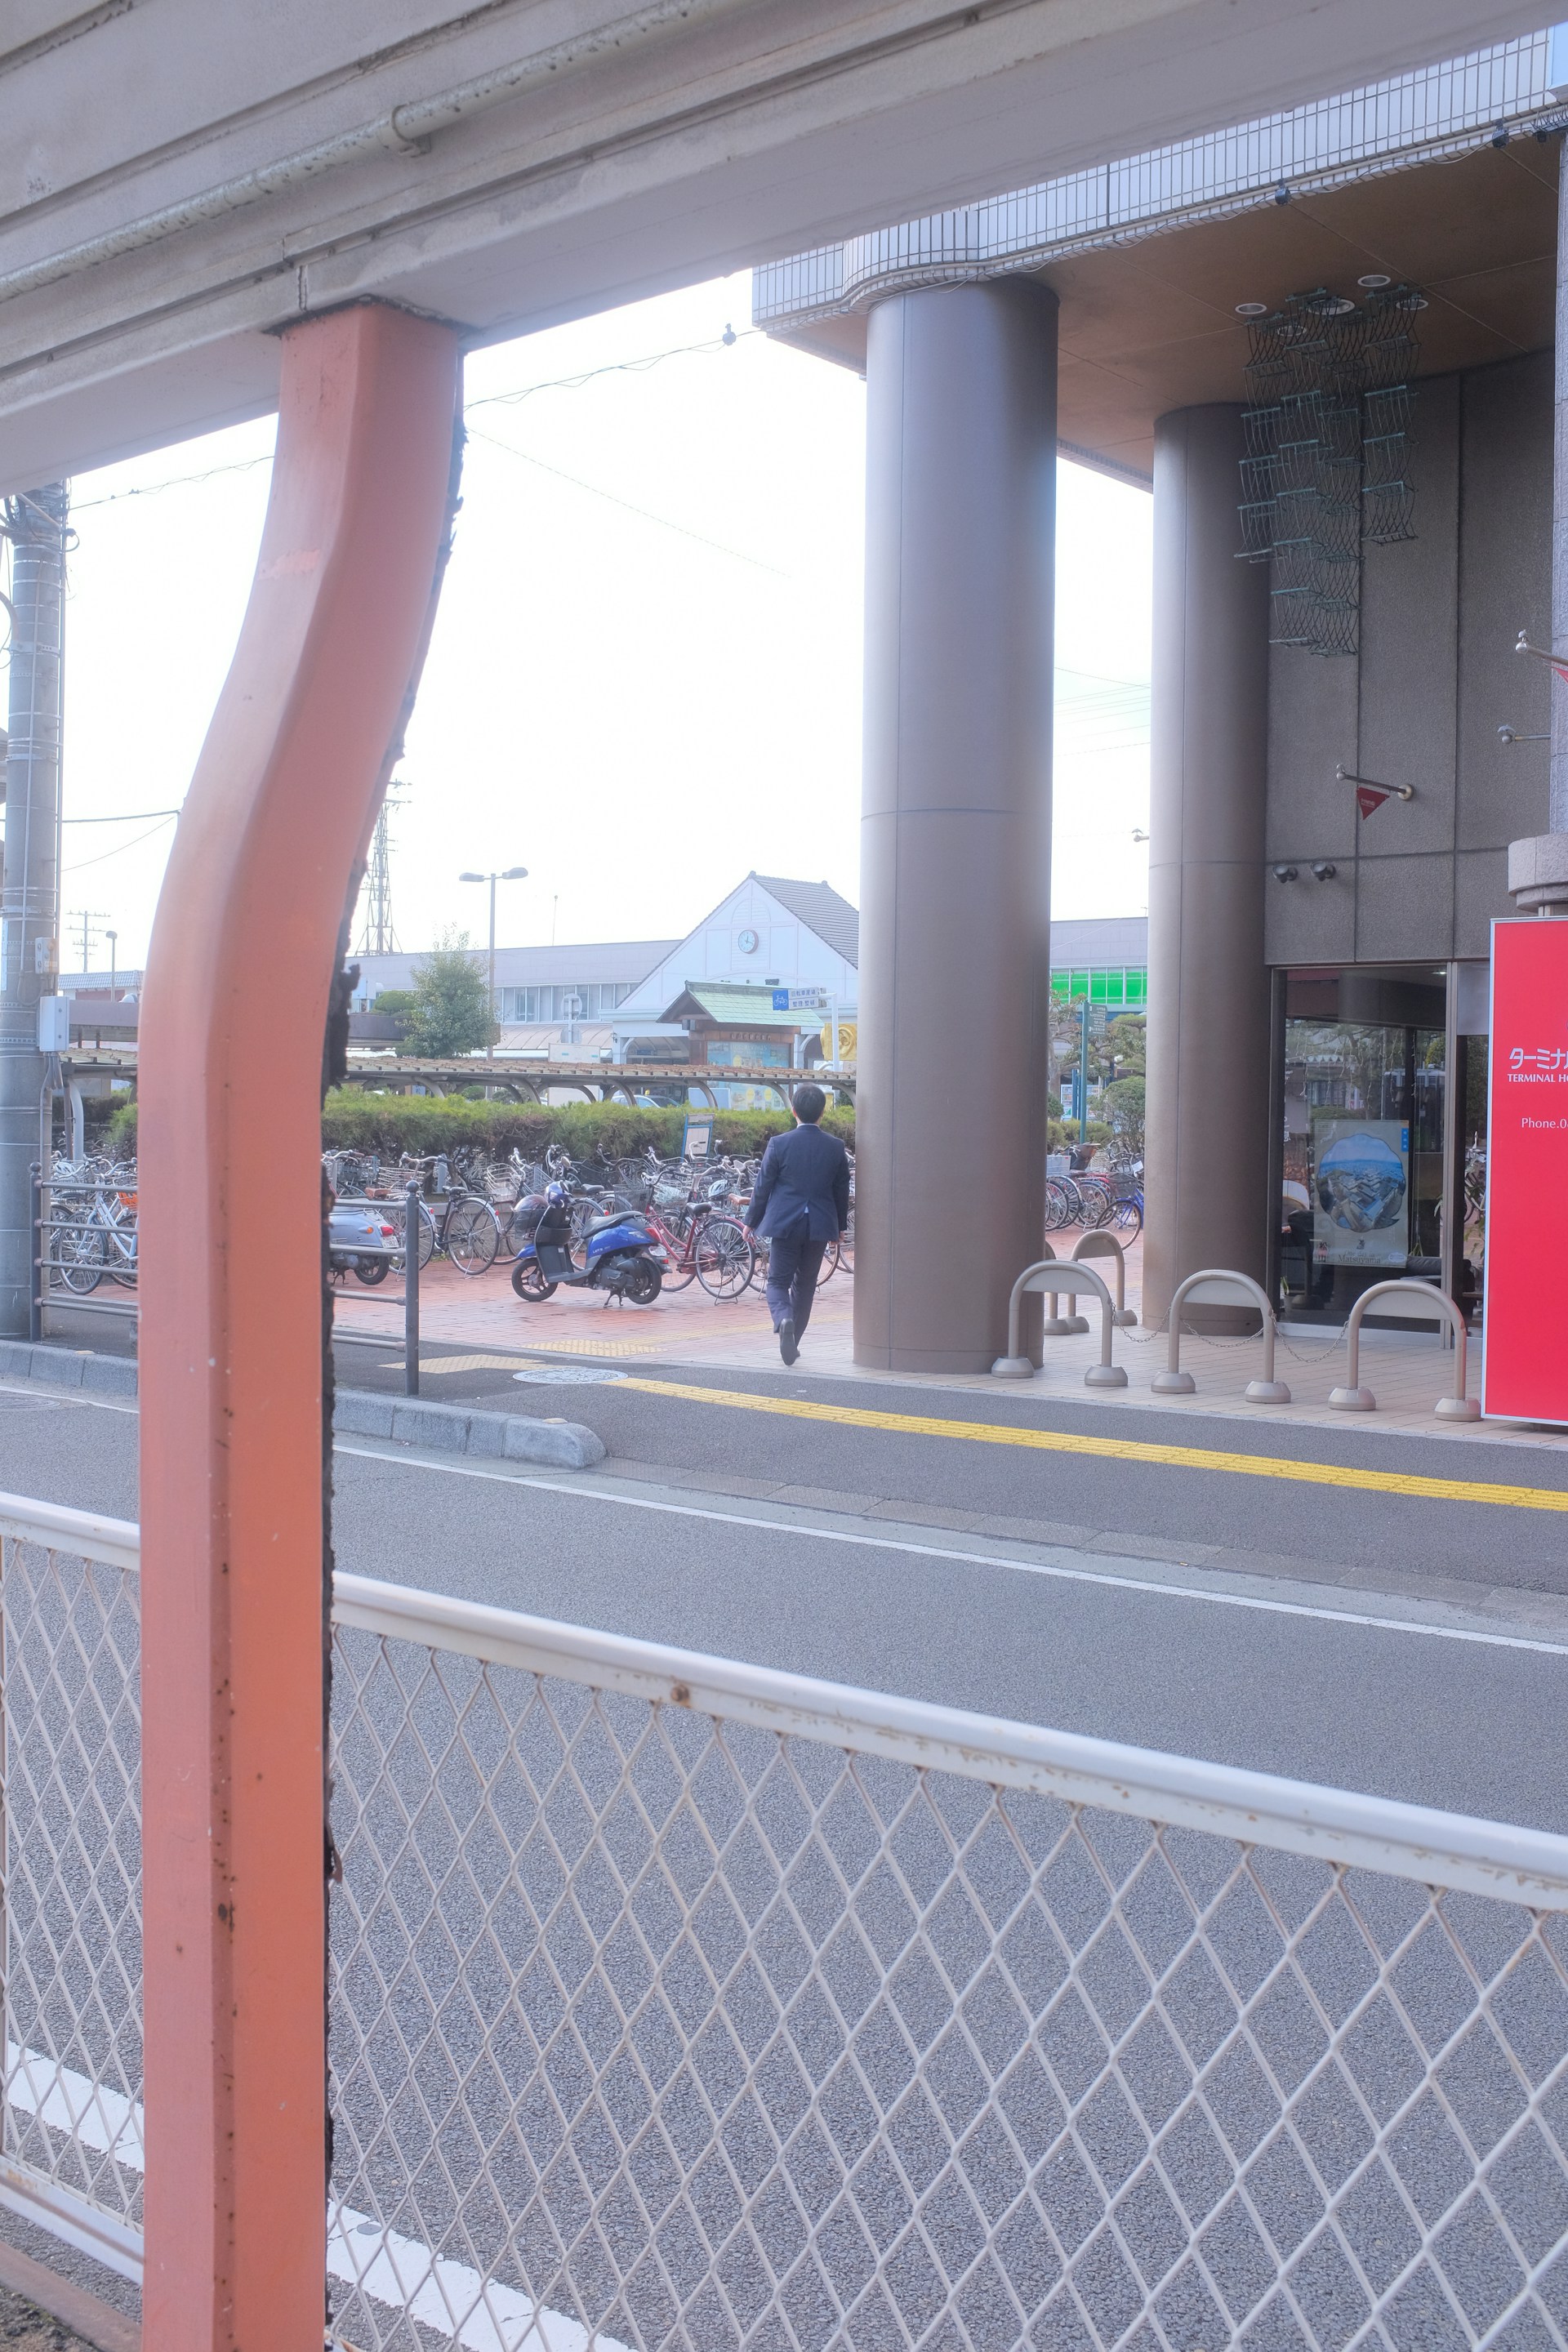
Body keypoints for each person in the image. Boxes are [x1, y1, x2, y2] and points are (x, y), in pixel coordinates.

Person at [744, 1083, 850, 1365]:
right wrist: (840, 1227)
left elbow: (762, 1187)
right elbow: (841, 1191)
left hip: (785, 1224)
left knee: (778, 1282)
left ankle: (784, 1319)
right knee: (805, 1286)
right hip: (819, 1225)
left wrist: (750, 1221)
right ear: (822, 1114)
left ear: (793, 1112)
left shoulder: (779, 1144)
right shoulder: (836, 1147)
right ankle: (792, 1342)